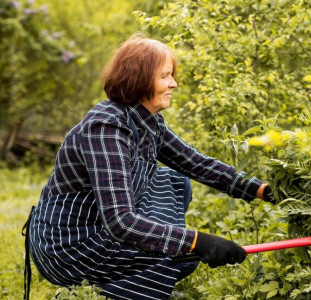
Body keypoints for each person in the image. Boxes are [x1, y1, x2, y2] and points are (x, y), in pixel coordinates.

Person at [24, 33, 273, 300]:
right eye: (165, 76)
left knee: (178, 200)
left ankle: (113, 290)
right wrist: (200, 241)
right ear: (140, 79)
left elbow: (197, 164)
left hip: (102, 230)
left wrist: (262, 190)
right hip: (70, 244)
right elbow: (121, 221)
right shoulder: (106, 128)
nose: (174, 84)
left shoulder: (148, 123)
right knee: (181, 249)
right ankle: (89, 292)